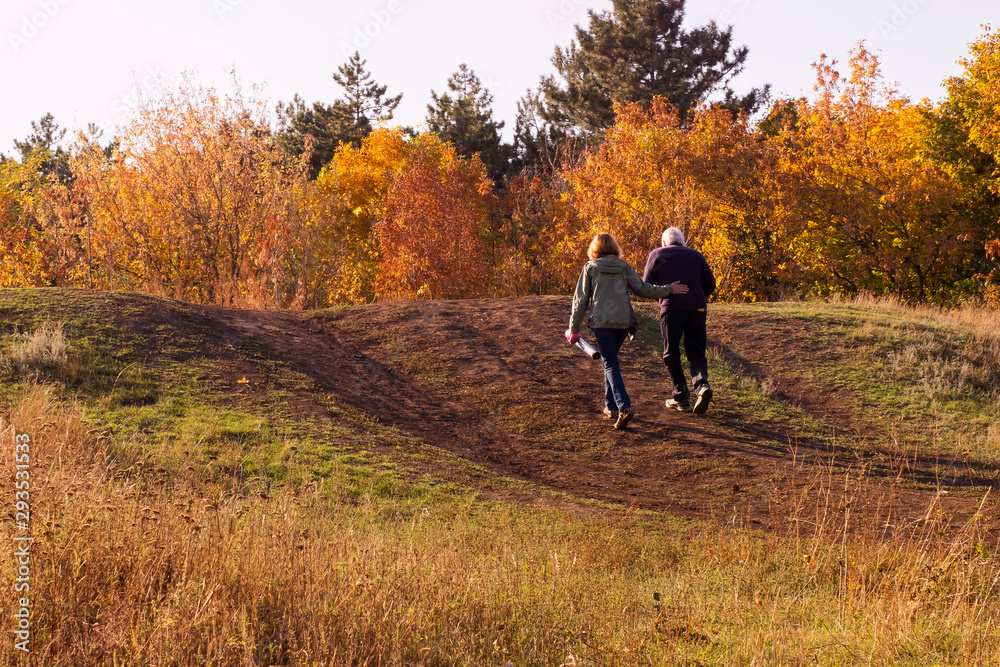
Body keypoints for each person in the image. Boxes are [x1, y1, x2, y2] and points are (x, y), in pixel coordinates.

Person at [566, 232, 689, 430]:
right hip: (623, 323)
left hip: (602, 322)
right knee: (611, 361)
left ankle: (624, 406)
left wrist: (573, 328)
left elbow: (580, 300)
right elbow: (644, 289)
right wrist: (668, 289)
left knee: (610, 363)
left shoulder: (590, 268)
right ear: (614, 247)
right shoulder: (624, 267)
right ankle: (611, 406)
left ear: (594, 248)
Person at [642, 226, 717, 414]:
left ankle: (681, 398)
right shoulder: (696, 255)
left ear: (664, 242)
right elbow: (711, 284)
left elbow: (646, 285)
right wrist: (697, 296)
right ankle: (702, 387)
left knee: (671, 353)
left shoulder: (657, 254)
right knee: (696, 352)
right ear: (683, 242)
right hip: (698, 308)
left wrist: (662, 296)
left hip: (671, 308)